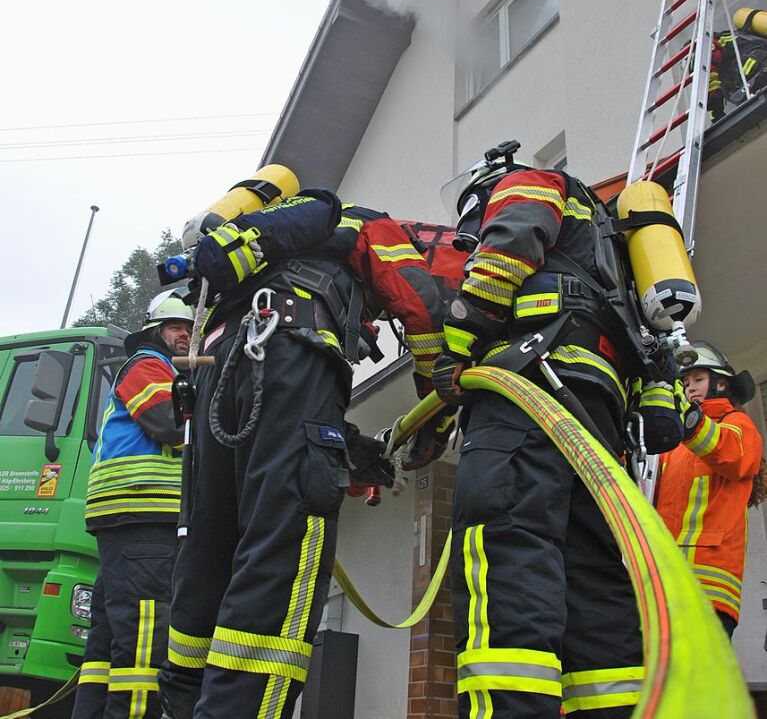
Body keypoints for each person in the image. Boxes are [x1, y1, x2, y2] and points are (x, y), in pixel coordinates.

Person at [157, 187, 457, 719]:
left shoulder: (265, 253)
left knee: (210, 549)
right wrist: (439, 402)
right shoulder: (372, 224)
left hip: (216, 382)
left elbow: (271, 413)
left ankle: (186, 703)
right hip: (287, 353)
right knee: (283, 549)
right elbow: (418, 299)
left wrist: (350, 449)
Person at [430, 139, 679, 719]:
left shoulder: (532, 181)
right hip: (598, 416)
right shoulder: (613, 249)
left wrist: (460, 343)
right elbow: (657, 356)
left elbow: (509, 245)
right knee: (592, 572)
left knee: (508, 541)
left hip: (530, 383)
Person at [72, 292, 194, 719]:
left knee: (105, 645)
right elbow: (169, 425)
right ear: (156, 332)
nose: (186, 334)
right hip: (143, 517)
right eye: (177, 327)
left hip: (128, 522)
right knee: (145, 639)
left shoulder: (156, 370)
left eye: (190, 328)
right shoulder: (148, 366)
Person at [655, 341, 765, 639]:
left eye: (698, 380)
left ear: (720, 384)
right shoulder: (674, 444)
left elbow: (729, 454)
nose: (690, 388)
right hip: (666, 581)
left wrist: (690, 420)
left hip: (710, 581)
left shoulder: (737, 424)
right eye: (685, 382)